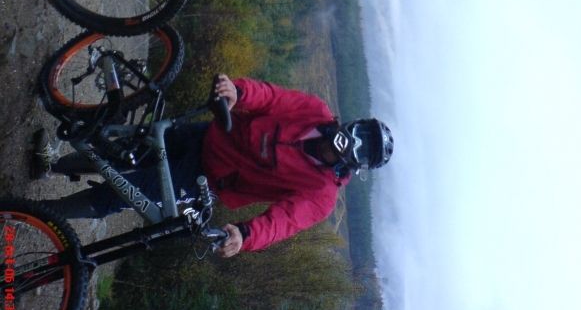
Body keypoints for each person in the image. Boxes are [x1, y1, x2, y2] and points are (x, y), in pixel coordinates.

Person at [32, 75, 394, 257]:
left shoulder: (321, 195)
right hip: (210, 133)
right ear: (356, 122)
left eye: (363, 149)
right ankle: (51, 165)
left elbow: (284, 222)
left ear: (355, 164)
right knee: (122, 151)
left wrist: (245, 236)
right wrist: (238, 92)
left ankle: (37, 213)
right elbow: (271, 97)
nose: (352, 141)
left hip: (206, 178)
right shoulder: (314, 111)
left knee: (125, 193)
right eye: (361, 132)